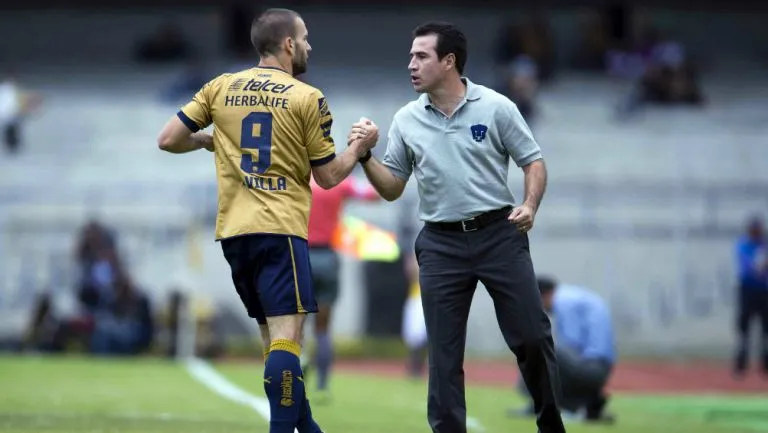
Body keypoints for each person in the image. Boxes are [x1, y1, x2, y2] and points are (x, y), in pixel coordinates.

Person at [157, 8, 379, 433]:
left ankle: (307, 427)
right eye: (306, 38)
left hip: (234, 234)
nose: (310, 45)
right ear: (289, 44)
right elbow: (329, 177)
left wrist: (206, 140)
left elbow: (168, 139)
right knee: (287, 341)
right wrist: (361, 146)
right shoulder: (306, 97)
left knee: (273, 344)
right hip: (280, 230)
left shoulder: (221, 86)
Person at [347, 21, 565, 433]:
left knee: (533, 337)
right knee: (444, 356)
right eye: (411, 55)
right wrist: (364, 156)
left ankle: (551, 425)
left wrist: (531, 205)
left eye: (421, 56)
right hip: (440, 245)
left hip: (500, 236)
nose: (411, 64)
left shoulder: (497, 106)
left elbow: (532, 161)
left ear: (449, 62)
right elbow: (392, 187)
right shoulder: (406, 119)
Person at [305, 175, 379, 400]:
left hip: (300, 256)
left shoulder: (296, 176)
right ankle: (322, 384)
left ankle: (296, 372)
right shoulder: (338, 182)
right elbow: (373, 194)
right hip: (327, 258)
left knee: (293, 324)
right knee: (323, 328)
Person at [510, 277, 616, 423]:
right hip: (598, 366)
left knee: (539, 349)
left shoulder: (563, 302)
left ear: (543, 295)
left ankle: (546, 404)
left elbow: (571, 344)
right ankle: (587, 402)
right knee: (550, 357)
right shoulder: (571, 296)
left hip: (592, 367)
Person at [733, 216, 768, 378]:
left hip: (764, 290)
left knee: (765, 329)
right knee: (744, 328)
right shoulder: (743, 245)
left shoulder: (764, 245)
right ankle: (741, 363)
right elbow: (750, 268)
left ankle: (765, 363)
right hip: (748, 290)